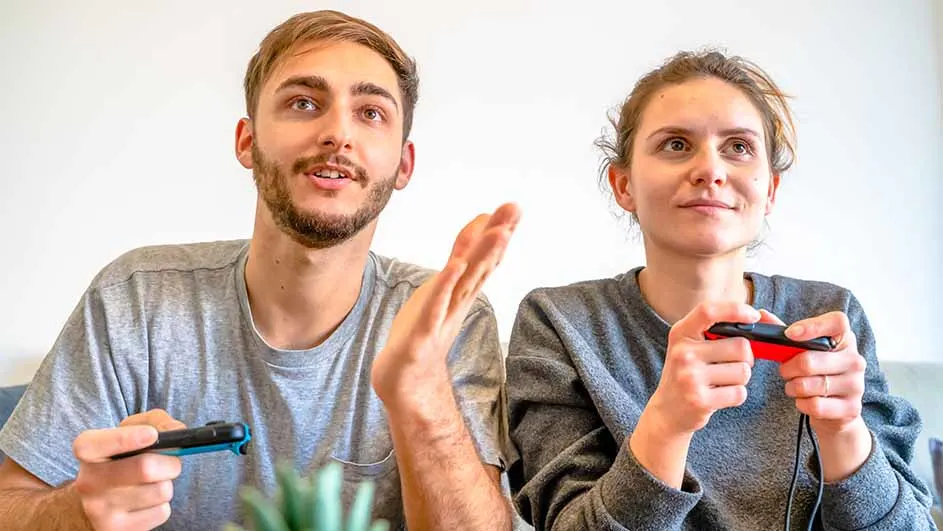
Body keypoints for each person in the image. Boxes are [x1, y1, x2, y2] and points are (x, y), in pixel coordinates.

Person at [0, 10, 519, 531]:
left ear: (403, 164)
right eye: (303, 103)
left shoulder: (447, 319)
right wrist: (76, 512)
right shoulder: (134, 301)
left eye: (371, 113)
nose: (338, 131)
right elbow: (11, 504)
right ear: (247, 142)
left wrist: (420, 392)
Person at [505, 49, 937, 530]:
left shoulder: (832, 313)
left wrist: (844, 433)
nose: (711, 170)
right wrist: (665, 426)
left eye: (738, 147)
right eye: (675, 144)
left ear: (769, 190)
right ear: (623, 184)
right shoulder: (559, 323)